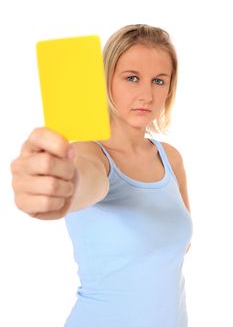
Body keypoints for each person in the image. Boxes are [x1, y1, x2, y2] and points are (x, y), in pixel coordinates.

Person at [11, 24, 193, 327]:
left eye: (159, 81)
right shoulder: (90, 153)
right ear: (105, 80)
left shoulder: (170, 158)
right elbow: (84, 179)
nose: (146, 94)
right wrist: (59, 188)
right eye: (132, 78)